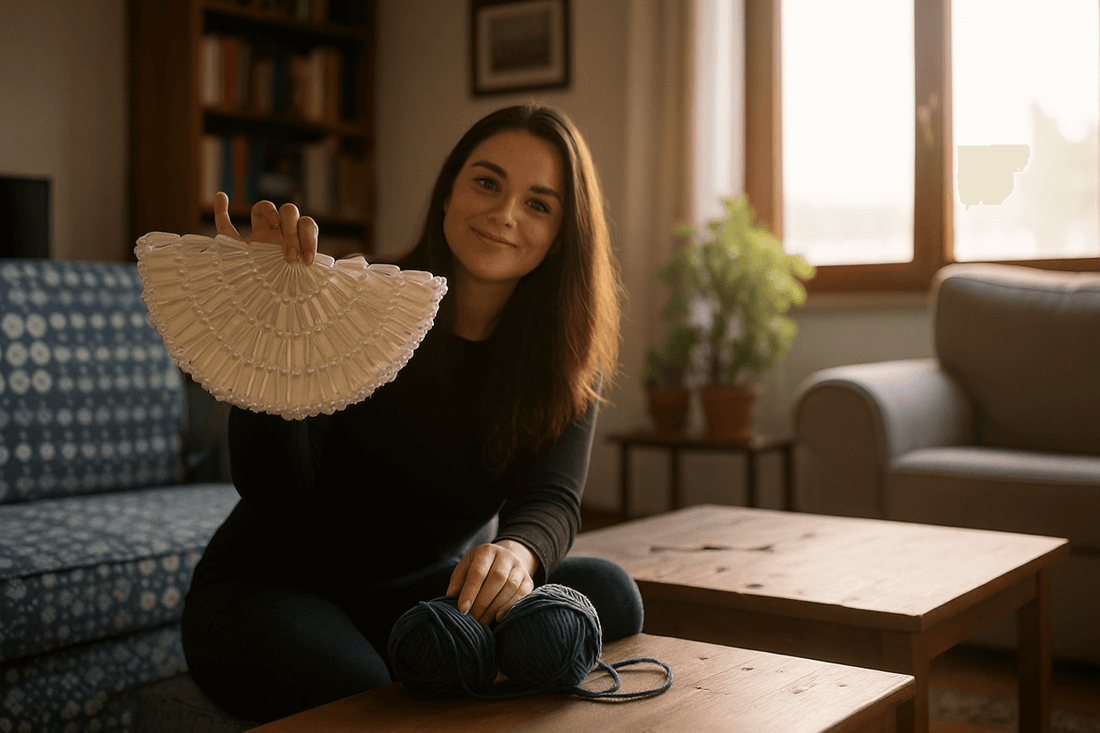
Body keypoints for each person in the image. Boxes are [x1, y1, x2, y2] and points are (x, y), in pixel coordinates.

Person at [180, 104, 644, 721]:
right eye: (487, 182)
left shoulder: (561, 354)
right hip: (273, 585)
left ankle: (450, 655)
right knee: (368, 698)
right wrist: (276, 335)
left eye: (539, 203)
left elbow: (551, 498)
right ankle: (452, 661)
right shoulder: (356, 303)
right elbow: (275, 489)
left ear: (563, 232)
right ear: (448, 191)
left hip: (413, 593)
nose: (505, 214)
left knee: (610, 593)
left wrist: (518, 555)